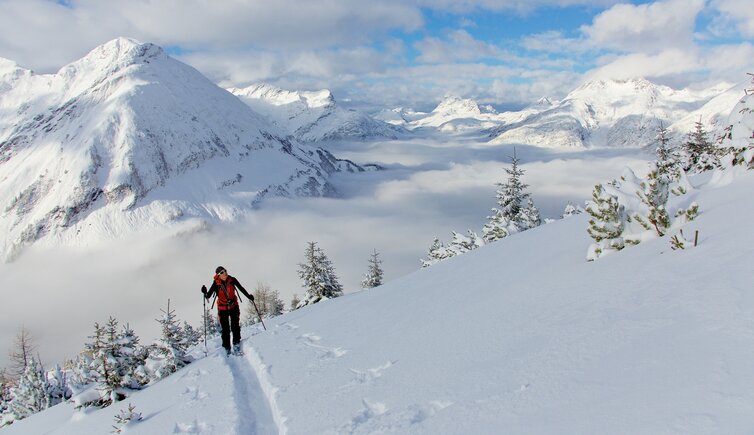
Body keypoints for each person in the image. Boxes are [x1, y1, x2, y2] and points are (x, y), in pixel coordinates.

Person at [202, 266, 254, 355]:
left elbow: (241, 288)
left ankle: (236, 344)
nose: (225, 273)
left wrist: (248, 296)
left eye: (225, 271)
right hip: (223, 309)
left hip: (234, 306)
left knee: (235, 326)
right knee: (225, 329)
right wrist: (205, 292)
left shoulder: (232, 280)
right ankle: (227, 348)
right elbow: (208, 296)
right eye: (222, 272)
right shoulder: (216, 283)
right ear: (218, 275)